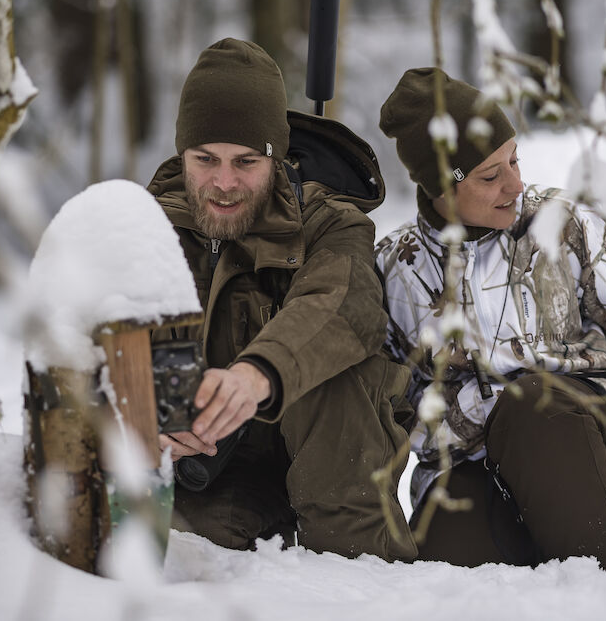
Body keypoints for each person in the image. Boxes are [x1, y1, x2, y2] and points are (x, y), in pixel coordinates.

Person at [375, 67, 606, 569]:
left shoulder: (562, 224)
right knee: (441, 555)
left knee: (531, 405)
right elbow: (391, 404)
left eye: (514, 160)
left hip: (598, 440)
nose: (515, 184)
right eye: (490, 175)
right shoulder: (395, 268)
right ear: (442, 188)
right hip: (476, 469)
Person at [147, 38, 417, 562]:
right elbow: (91, 339)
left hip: (340, 463)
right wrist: (147, 411)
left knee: (335, 363)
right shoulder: (147, 225)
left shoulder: (332, 221)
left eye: (245, 161)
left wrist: (257, 376)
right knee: (192, 561)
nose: (223, 183)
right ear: (183, 155)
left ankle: (362, 576)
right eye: (206, 160)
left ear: (275, 155)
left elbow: (345, 304)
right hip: (216, 468)